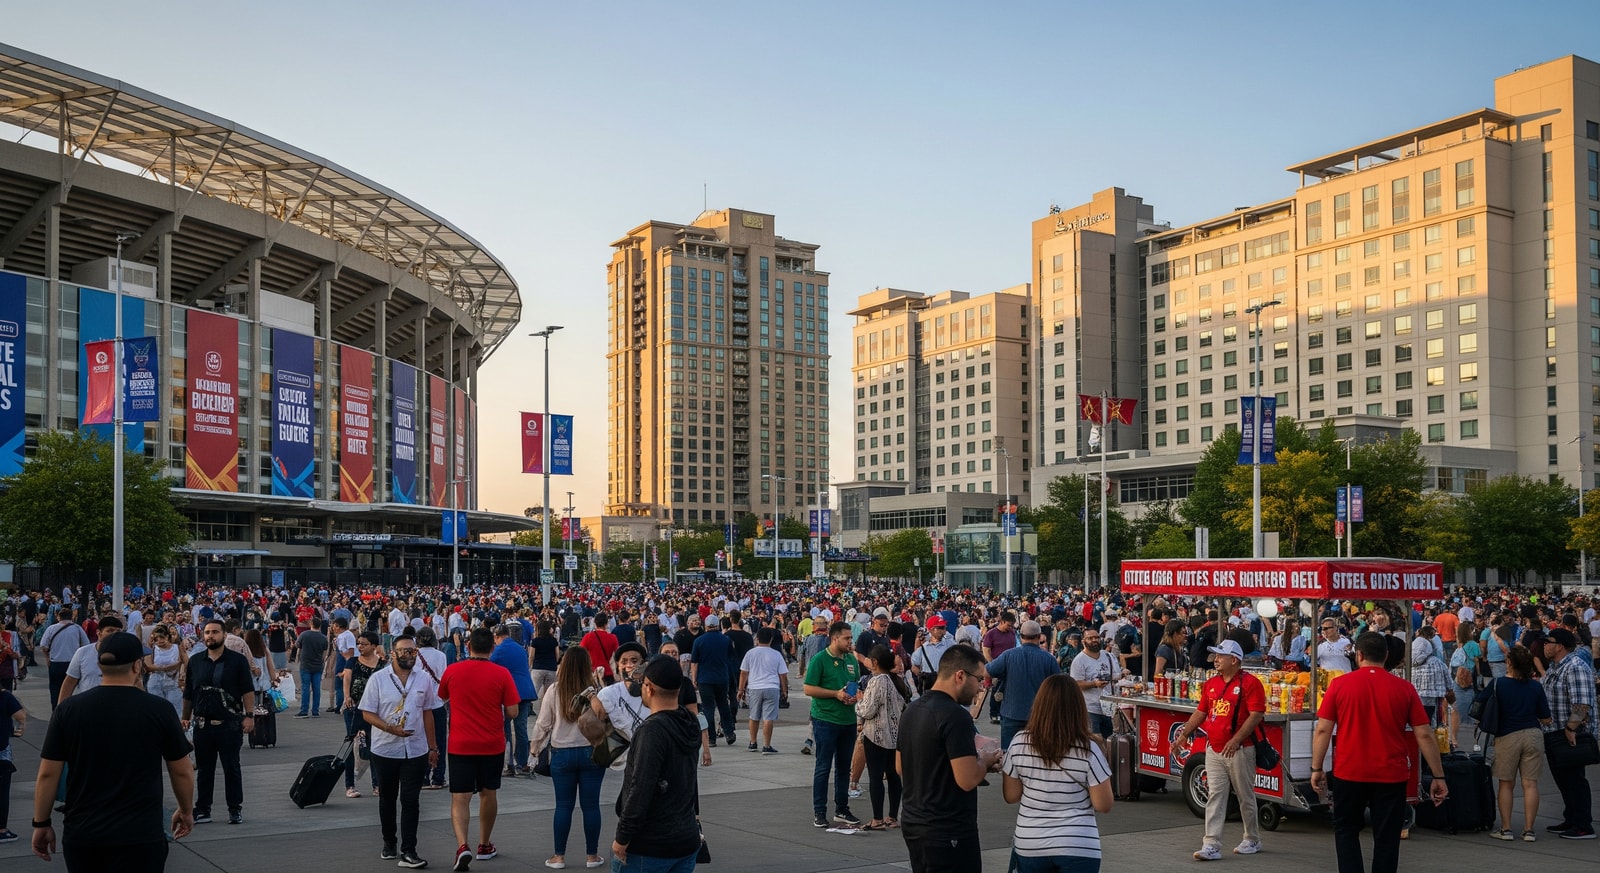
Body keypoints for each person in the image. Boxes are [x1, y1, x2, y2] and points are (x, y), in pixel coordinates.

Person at [30, 632, 193, 871]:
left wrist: (41, 822)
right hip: (140, 834)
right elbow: (181, 770)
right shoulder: (159, 710)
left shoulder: (69, 710)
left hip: (84, 833)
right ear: (137, 666)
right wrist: (186, 810)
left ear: (99, 665)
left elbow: (47, 773)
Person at [1311, 632, 1450, 873]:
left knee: (1346, 831)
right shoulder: (1404, 688)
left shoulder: (1339, 685)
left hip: (1349, 772)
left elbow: (1323, 729)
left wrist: (1316, 768)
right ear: (1386, 656)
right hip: (1390, 774)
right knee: (1387, 837)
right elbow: (1425, 734)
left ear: (1359, 655)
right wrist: (1438, 775)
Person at [897, 643, 1001, 873]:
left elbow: (900, 766)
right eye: (979, 680)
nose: (981, 689)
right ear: (960, 676)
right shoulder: (956, 717)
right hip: (948, 828)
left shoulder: (912, 710)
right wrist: (984, 760)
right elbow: (967, 779)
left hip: (914, 822)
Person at [1002, 673, 1113, 873]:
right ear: (1078, 708)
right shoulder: (1089, 748)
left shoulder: (1019, 742)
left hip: (1030, 843)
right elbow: (1103, 805)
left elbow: (1011, 796)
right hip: (1078, 844)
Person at [1173, 639, 1266, 860]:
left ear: (1234, 660)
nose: (1215, 659)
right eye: (1215, 655)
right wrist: (1184, 734)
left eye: (1220, 656)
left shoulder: (1250, 683)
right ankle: (1211, 844)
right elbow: (1201, 711)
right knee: (1215, 795)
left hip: (1240, 750)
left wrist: (1236, 740)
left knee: (1245, 796)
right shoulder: (1211, 683)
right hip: (1214, 749)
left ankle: (1252, 839)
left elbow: (1256, 715)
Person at [438, 627, 521, 871]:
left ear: (468, 645)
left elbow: (442, 697)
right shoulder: (502, 673)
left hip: (460, 743)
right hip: (491, 743)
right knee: (488, 792)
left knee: (460, 796)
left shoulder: (453, 671)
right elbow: (513, 711)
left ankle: (462, 845)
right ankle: (484, 844)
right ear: (492, 648)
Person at [610, 656, 702, 873]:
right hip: (685, 837)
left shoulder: (652, 731)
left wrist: (622, 837)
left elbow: (641, 788)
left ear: (649, 688)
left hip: (650, 844)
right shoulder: (689, 722)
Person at [359, 633, 441, 868]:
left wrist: (433, 747)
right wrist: (389, 728)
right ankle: (389, 842)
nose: (410, 655)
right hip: (385, 749)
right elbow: (367, 713)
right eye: (405, 651)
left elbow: (428, 712)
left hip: (415, 749)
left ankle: (409, 850)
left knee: (410, 800)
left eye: (413, 651)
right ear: (393, 653)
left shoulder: (423, 679)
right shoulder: (378, 679)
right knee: (388, 798)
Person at [532, 646, 607, 870]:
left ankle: (559, 856)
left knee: (563, 806)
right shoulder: (596, 691)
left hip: (562, 753)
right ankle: (592, 855)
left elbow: (543, 724)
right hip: (591, 752)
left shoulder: (555, 690)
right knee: (591, 806)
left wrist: (534, 750)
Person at [182, 618, 257, 825]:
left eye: (215, 632)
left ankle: (235, 808)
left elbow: (247, 690)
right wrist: (185, 717)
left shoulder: (237, 661)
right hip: (203, 726)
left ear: (224, 635)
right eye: (207, 632)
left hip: (229, 724)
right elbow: (189, 692)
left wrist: (249, 716)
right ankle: (203, 809)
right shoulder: (195, 661)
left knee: (231, 768)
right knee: (204, 770)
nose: (210, 636)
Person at [1484, 645, 1551, 842]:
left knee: (1506, 784)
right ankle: (1529, 830)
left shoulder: (1498, 684)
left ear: (1509, 662)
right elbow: (1546, 718)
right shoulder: (1536, 687)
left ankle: (1506, 829)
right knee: (1530, 784)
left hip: (1507, 735)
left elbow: (1479, 707)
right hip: (1533, 734)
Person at [803, 620, 864, 828]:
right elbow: (808, 688)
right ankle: (819, 811)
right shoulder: (820, 659)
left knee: (844, 767)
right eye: (847, 638)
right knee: (823, 767)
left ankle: (842, 809)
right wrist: (834, 694)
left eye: (851, 638)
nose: (850, 642)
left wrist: (854, 696)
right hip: (825, 719)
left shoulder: (851, 659)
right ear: (835, 638)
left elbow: (854, 684)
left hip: (848, 720)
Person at [1540, 627, 1596, 839]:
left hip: (1570, 734)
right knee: (1563, 779)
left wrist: (1572, 728)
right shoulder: (1556, 667)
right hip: (1554, 732)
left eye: (1548, 642)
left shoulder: (1575, 667)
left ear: (1560, 646)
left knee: (1574, 780)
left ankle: (1583, 825)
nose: (1545, 646)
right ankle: (1571, 818)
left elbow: (1582, 703)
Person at [855, 644, 909, 830]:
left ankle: (877, 818)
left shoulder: (877, 681)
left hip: (876, 735)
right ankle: (892, 816)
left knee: (876, 776)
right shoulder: (896, 680)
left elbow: (868, 710)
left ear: (875, 662)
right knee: (893, 775)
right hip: (895, 735)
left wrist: (859, 702)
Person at [986, 619, 1062, 750]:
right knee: (1037, 753)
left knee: (1009, 753)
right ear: (1039, 637)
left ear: (1021, 637)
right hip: (1039, 715)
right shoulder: (1049, 659)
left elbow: (987, 672)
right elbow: (1058, 686)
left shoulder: (1008, 655)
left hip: (1011, 712)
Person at [490, 624, 537, 776]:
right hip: (526, 691)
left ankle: (508, 763)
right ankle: (522, 763)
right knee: (521, 728)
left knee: (506, 729)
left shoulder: (499, 650)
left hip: (511, 693)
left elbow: (489, 667)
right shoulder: (520, 648)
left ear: (497, 636)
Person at [341, 631, 384, 798]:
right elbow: (347, 678)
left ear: (374, 646)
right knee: (351, 743)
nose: (360, 646)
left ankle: (377, 784)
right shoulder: (353, 661)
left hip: (374, 710)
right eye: (358, 643)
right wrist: (347, 696)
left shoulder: (382, 664)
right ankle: (350, 785)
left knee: (375, 744)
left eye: (364, 644)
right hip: (354, 708)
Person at [736, 626, 789, 754]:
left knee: (754, 716)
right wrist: (784, 690)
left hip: (754, 687)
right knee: (768, 717)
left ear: (757, 638)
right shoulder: (776, 654)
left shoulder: (750, 653)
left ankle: (753, 742)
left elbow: (744, 673)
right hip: (771, 687)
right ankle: (766, 745)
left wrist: (741, 689)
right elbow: (783, 675)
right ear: (771, 639)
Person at [690, 614, 736, 746]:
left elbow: (694, 662)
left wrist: (694, 679)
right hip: (722, 677)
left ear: (706, 626)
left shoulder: (699, 641)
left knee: (708, 708)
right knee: (723, 705)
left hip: (705, 678)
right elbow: (730, 658)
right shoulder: (726, 640)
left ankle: (711, 738)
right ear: (718, 625)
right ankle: (729, 733)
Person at [1068, 629, 1122, 738]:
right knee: (1095, 740)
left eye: (1097, 637)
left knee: (1108, 740)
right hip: (1090, 709)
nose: (1094, 640)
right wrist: (1094, 684)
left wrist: (1123, 673)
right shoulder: (1079, 660)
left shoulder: (1107, 656)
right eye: (1090, 638)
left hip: (1108, 707)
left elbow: (1116, 674)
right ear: (1083, 641)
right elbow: (1076, 684)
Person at [57, 614, 124, 701]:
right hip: (86, 704)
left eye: (118, 631)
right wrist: (61, 706)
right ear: (99, 633)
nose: (114, 634)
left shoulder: (126, 655)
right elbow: (70, 681)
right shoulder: (82, 653)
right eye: (110, 631)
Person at [37, 607, 88, 711]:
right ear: (72, 617)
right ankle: (70, 709)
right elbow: (86, 644)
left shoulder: (51, 629)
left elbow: (43, 646)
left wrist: (47, 657)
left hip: (55, 663)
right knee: (74, 688)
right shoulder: (77, 629)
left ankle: (56, 710)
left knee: (55, 688)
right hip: (73, 663)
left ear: (58, 617)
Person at [0, 684, 24, 843]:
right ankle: (1, 829)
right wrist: (20, 728)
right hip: (1, 753)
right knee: (2, 791)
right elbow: (20, 715)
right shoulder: (5, 697)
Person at [144, 624, 185, 715]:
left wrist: (160, 668)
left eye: (161, 637)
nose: (159, 640)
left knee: (176, 710)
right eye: (156, 639)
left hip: (173, 680)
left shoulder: (177, 648)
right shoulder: (152, 649)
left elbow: (181, 663)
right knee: (157, 710)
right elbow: (149, 666)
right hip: (156, 680)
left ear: (167, 636)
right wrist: (167, 667)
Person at [294, 619, 330, 718]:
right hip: (318, 665)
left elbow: (298, 647)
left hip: (305, 664)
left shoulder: (304, 635)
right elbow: (325, 653)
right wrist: (322, 662)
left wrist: (298, 658)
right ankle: (315, 711)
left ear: (311, 624)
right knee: (316, 689)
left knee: (305, 688)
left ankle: (304, 710)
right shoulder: (323, 638)